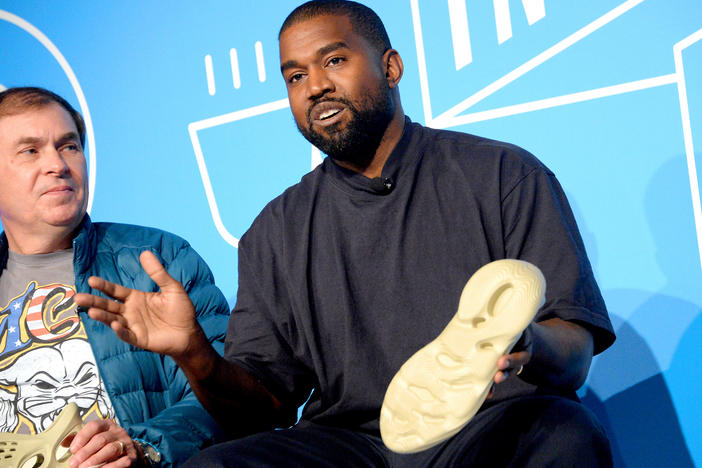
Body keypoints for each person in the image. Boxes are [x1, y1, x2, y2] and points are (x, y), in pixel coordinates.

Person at [76, 1, 616, 466]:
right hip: (352, 448)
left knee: (564, 434)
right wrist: (194, 352)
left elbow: (573, 350)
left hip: (488, 427)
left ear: (392, 66)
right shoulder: (274, 232)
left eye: (334, 60)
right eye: (295, 76)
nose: (315, 86)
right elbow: (262, 409)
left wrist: (523, 339)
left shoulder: (502, 175)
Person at [0, 87, 230, 468]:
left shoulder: (157, 258)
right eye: (30, 151)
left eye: (69, 146)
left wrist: (144, 448)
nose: (57, 164)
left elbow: (226, 397)